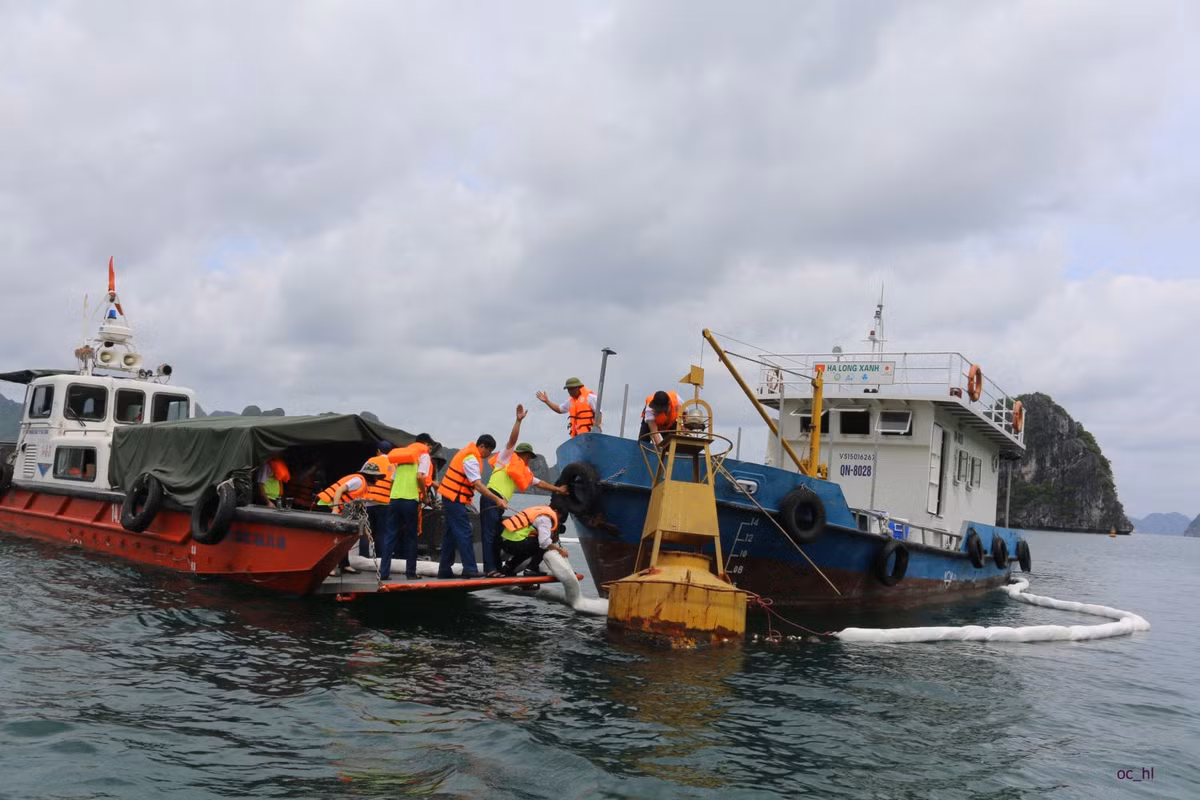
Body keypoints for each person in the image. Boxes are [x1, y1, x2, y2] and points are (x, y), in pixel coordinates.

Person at [481, 405, 569, 577]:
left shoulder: (523, 471)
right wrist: (518, 421)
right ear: (523, 454)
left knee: (496, 536)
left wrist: (558, 489)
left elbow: (540, 483)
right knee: (490, 535)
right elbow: (512, 441)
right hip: (492, 497)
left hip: (500, 502)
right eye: (528, 457)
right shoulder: (506, 458)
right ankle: (490, 569)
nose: (529, 460)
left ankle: (499, 568)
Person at [436, 434, 503, 579]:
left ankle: (444, 570)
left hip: (452, 497)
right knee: (465, 531)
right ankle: (470, 569)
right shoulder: (471, 458)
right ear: (482, 446)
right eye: (489, 451)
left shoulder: (467, 454)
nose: (488, 455)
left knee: (451, 534)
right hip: (454, 499)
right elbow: (478, 485)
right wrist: (497, 499)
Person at [381, 433, 436, 580]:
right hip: (410, 500)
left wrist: (394, 494)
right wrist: (424, 496)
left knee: (390, 535)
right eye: (430, 446)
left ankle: (384, 573)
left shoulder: (402, 456)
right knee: (411, 537)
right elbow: (420, 476)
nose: (430, 450)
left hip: (394, 499)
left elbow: (392, 480)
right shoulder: (423, 455)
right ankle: (410, 573)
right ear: (426, 444)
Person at [499, 505, 568, 576]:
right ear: (556, 512)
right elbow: (544, 542)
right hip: (514, 542)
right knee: (543, 545)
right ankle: (531, 569)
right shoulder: (545, 518)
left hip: (508, 540)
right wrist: (560, 550)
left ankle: (508, 567)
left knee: (532, 547)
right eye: (560, 517)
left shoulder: (540, 512)